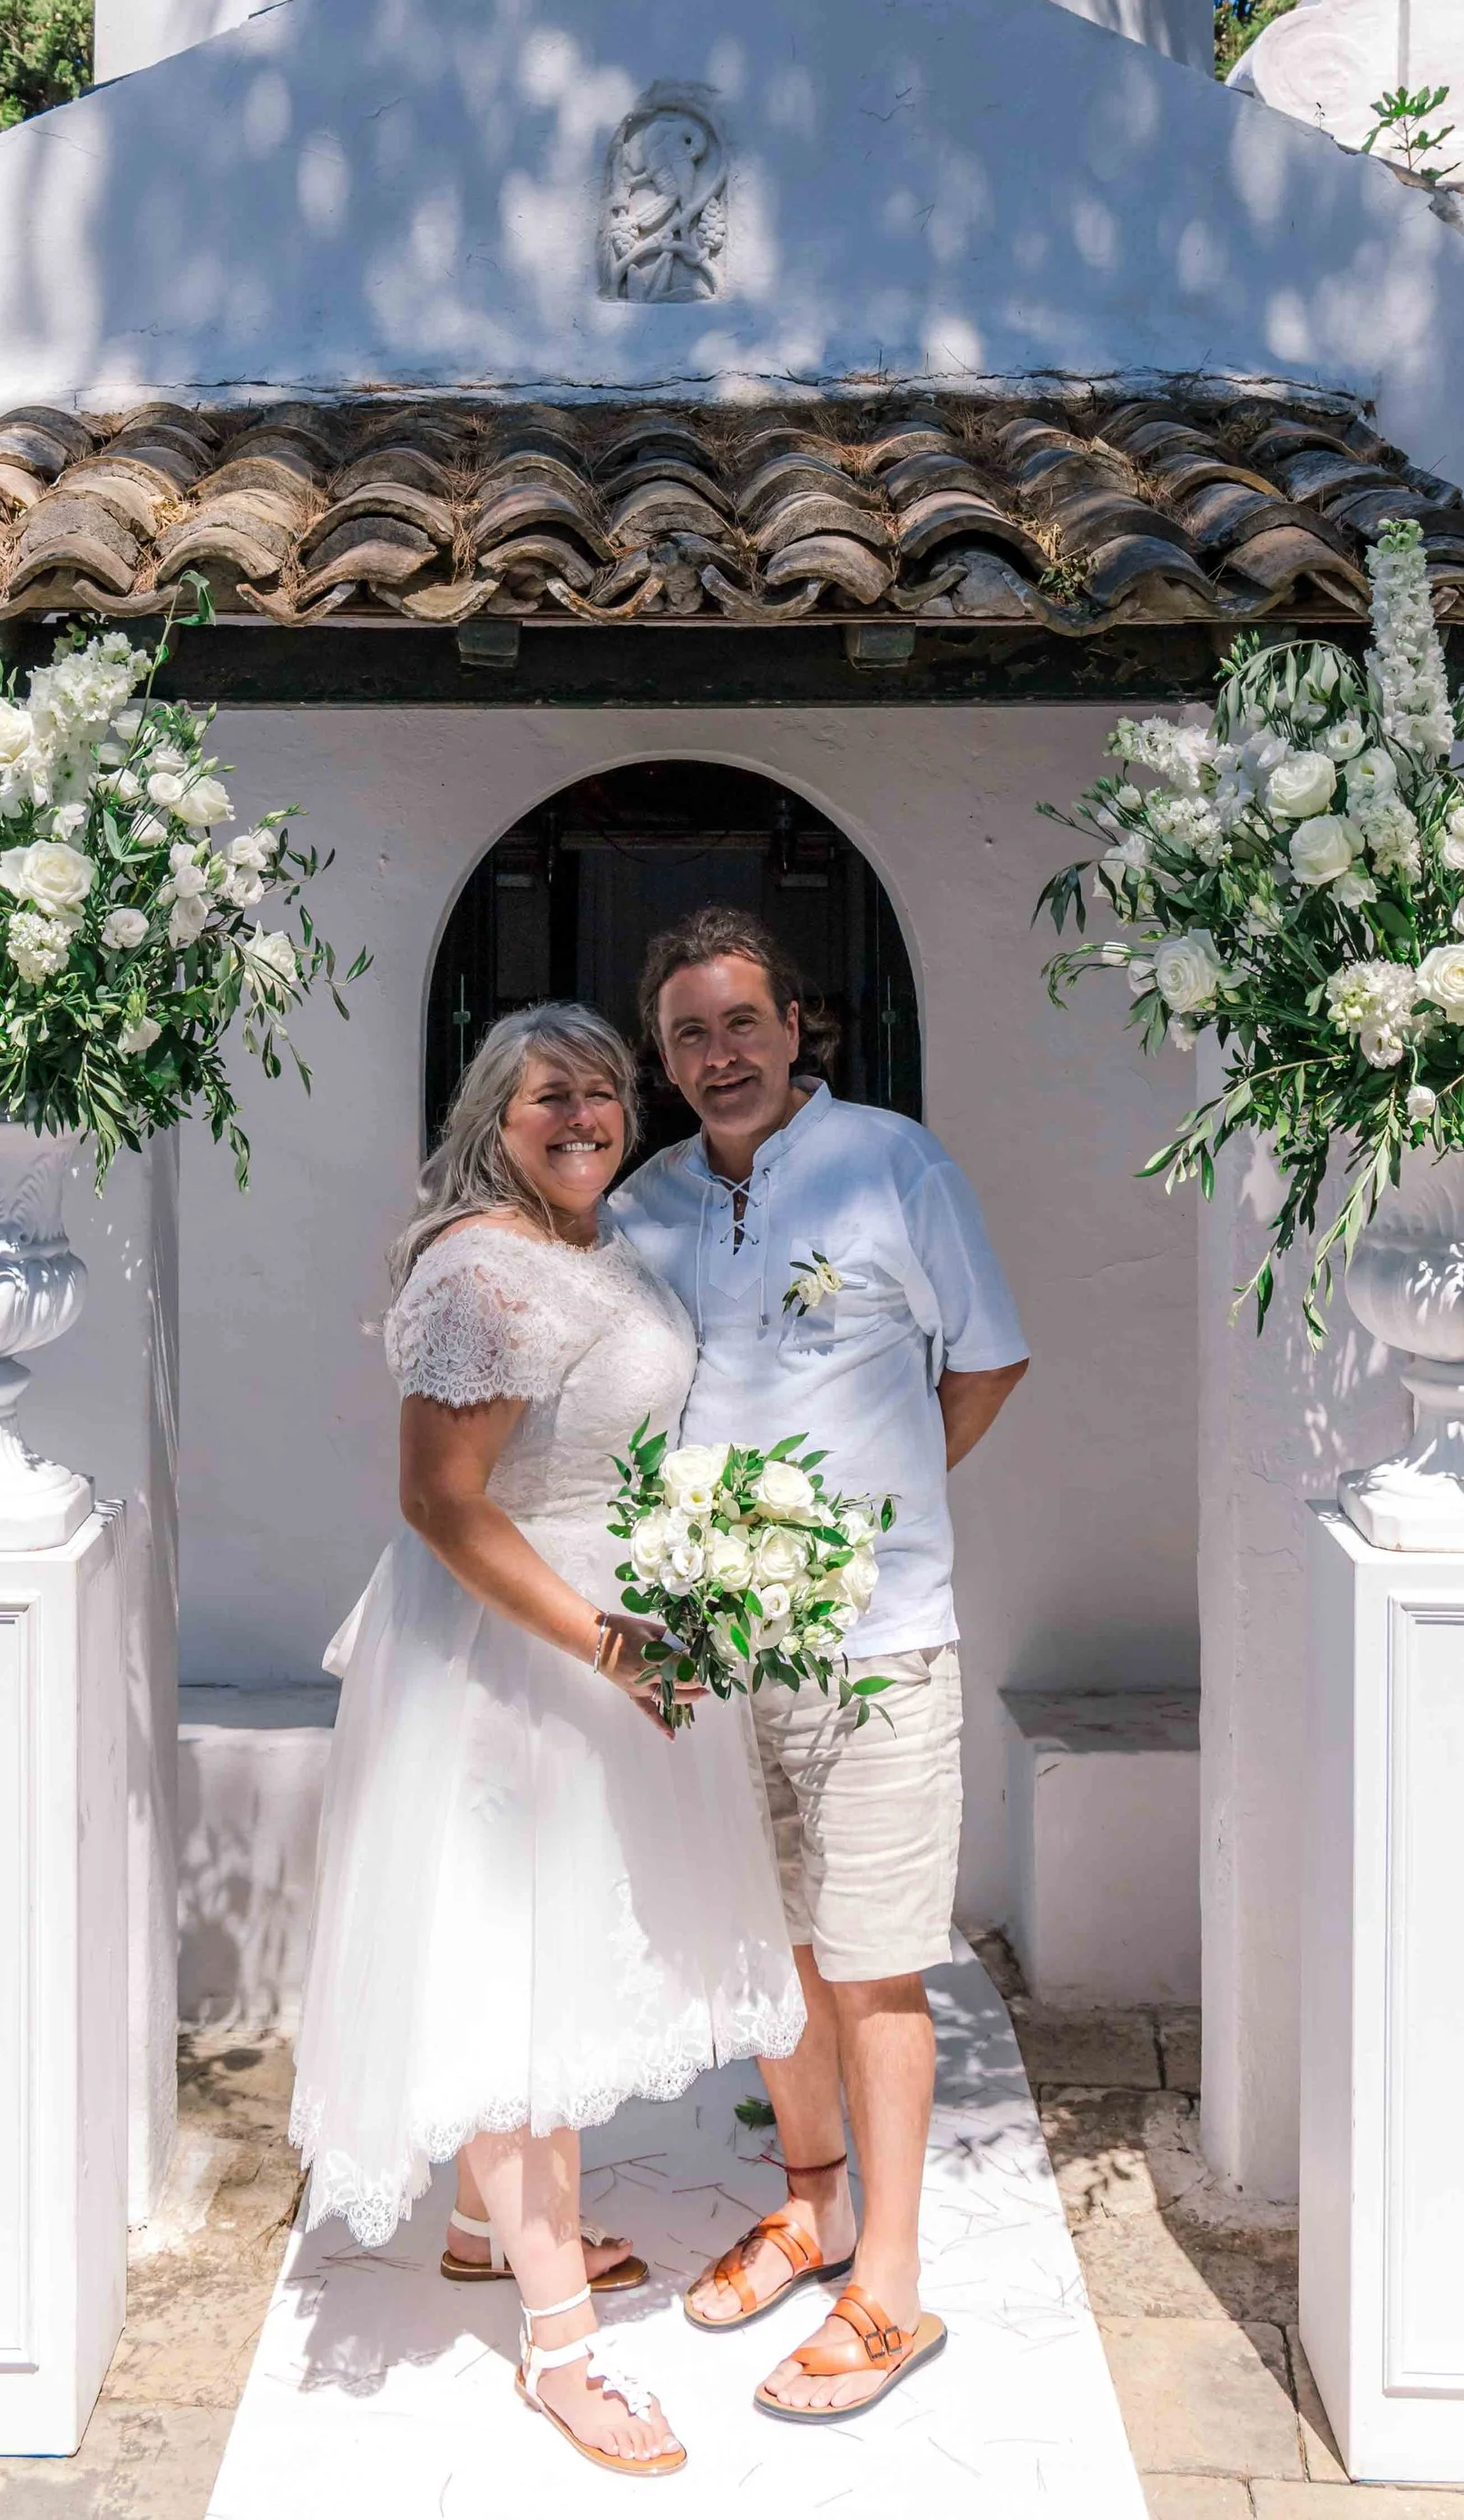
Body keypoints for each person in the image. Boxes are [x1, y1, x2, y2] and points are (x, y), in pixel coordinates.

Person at [288, 1000, 805, 2479]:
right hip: (512, 1655)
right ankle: (563, 2354)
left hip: (596, 1629)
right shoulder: (484, 1271)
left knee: (544, 1952)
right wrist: (602, 1644)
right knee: (520, 1977)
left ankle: (478, 2232)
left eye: (602, 1092)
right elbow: (442, 1499)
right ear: (489, 1120)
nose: (584, 1115)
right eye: (548, 1097)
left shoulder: (596, 1249)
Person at [610, 910, 1029, 2425]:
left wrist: (881, 1511)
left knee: (873, 1959)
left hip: (879, 1642)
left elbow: (983, 1359)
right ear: (667, 1061)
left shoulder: (894, 1163)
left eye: (741, 1023)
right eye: (688, 1035)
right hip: (726, 1648)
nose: (718, 1055)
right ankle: (813, 2205)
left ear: (800, 1029)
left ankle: (892, 2288)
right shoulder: (647, 1199)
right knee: (778, 1943)